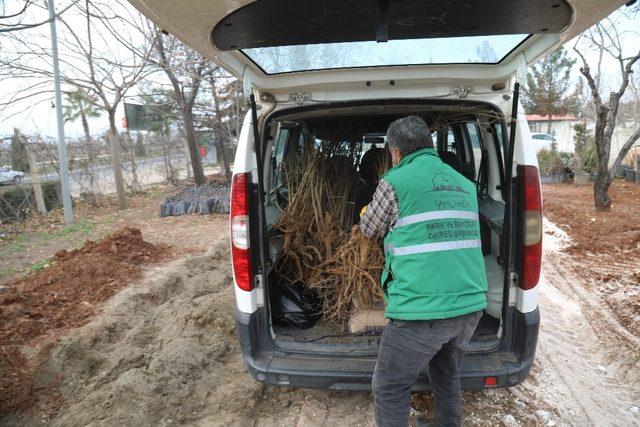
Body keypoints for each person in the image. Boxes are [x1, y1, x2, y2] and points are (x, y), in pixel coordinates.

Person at [359, 116, 488, 427]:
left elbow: (369, 227)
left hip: (422, 311)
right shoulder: (464, 184)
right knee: (446, 372)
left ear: (396, 153)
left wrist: (367, 210)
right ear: (430, 147)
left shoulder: (394, 182)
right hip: (470, 306)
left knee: (390, 385)